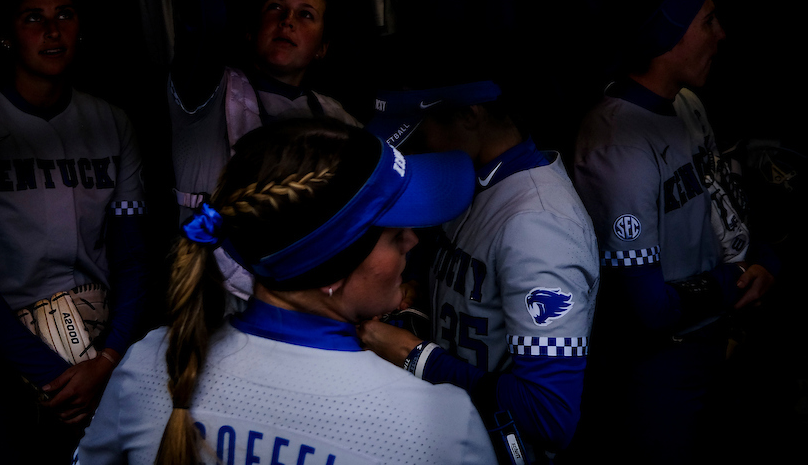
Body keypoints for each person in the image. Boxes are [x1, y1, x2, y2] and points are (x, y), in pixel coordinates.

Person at [77, 118, 496, 465]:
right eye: (394, 234)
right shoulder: (439, 426)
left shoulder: (149, 364)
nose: (413, 242)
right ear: (330, 270)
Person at [0, 0, 148, 463]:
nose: (51, 30)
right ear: (7, 35)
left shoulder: (112, 121)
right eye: (32, 18)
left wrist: (107, 360)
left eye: (64, 14)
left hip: (100, 340)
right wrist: (52, 374)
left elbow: (132, 256)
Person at [571, 0, 777, 464]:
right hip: (659, 370)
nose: (722, 34)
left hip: (715, 338)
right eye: (708, 22)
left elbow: (726, 207)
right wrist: (731, 282)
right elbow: (650, 308)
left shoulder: (686, 103)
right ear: (668, 34)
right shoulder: (616, 145)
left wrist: (764, 261)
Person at [357, 78, 599, 463]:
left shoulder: (539, 225)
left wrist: (415, 355)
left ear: (470, 116)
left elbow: (549, 413)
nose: (413, 150)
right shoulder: (476, 177)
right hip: (450, 435)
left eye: (419, 134)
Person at [168, 0, 359, 304]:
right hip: (211, 314)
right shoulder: (207, 92)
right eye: (275, 8)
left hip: (303, 317)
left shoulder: (340, 122)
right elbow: (203, 25)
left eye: (305, 15)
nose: (288, 21)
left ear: (323, 48)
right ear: (250, 31)